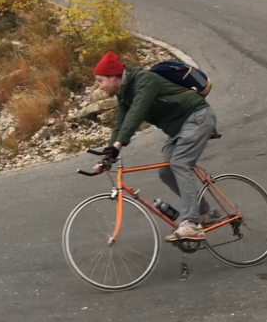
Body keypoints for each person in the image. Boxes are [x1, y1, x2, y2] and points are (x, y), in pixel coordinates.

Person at [91, 51, 219, 242]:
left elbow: (137, 112)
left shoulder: (145, 80)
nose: (99, 87)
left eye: (100, 81)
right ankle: (206, 212)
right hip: (179, 128)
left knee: (180, 164)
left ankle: (192, 224)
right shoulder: (124, 94)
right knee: (166, 171)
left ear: (112, 77)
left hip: (197, 117)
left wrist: (118, 145)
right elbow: (121, 124)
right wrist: (108, 155)